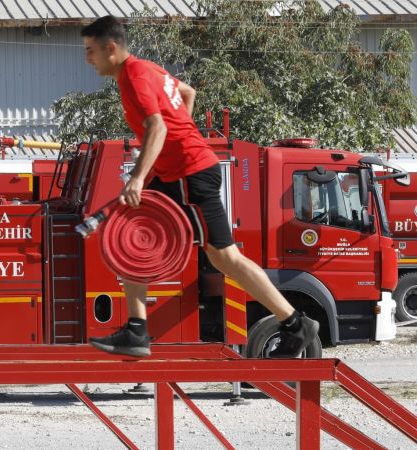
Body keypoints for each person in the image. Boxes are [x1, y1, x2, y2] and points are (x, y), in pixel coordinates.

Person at [81, 16, 319, 358]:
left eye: (91, 51)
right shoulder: (146, 70)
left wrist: (138, 176)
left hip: (191, 173)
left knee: (224, 257)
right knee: (131, 234)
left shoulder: (134, 77)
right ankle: (136, 330)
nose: (88, 58)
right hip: (178, 170)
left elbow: (157, 127)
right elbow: (186, 93)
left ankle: (296, 323)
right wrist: (182, 138)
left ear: (111, 48)